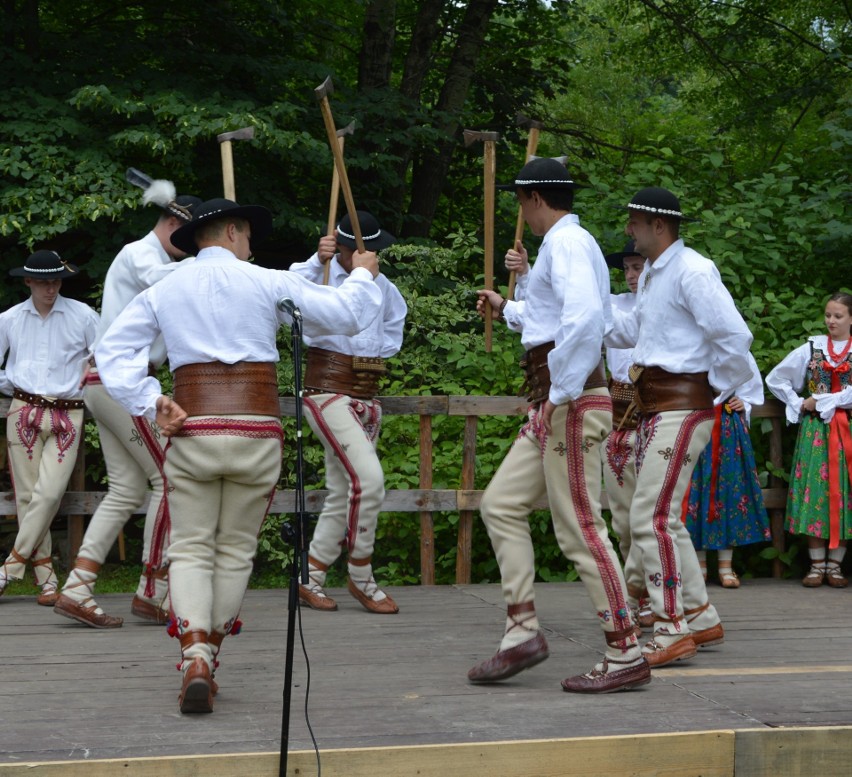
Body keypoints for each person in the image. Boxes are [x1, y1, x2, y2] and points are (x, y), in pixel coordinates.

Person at [94, 197, 382, 714]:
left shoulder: (166, 286)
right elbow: (347, 316)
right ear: (230, 232)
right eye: (248, 235)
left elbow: (112, 351)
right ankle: (210, 656)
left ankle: (195, 657)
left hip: (194, 429)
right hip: (256, 431)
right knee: (234, 552)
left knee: (190, 547)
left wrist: (150, 398)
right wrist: (360, 274)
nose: (252, 245)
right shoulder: (267, 281)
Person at [470, 157, 651, 694]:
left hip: (569, 402)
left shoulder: (569, 244)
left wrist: (563, 393)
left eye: (519, 200)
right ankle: (521, 631)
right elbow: (565, 319)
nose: (518, 210)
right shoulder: (565, 247)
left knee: (580, 529)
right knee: (499, 504)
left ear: (533, 198)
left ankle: (625, 650)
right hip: (558, 399)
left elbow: (585, 322)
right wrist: (508, 307)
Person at [606, 186, 754, 667]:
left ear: (658, 225)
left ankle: (671, 628)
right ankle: (700, 614)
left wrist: (715, 390)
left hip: (681, 405)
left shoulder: (693, 270)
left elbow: (733, 335)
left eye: (633, 221)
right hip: (658, 407)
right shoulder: (653, 274)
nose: (627, 229)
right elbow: (633, 332)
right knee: (660, 516)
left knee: (650, 517)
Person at [55, 181, 201, 629]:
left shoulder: (157, 259)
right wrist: (213, 265)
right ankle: (153, 589)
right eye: (193, 240)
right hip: (121, 384)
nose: (195, 249)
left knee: (126, 490)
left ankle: (78, 587)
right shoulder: (142, 254)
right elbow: (162, 282)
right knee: (169, 480)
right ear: (173, 224)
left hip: (107, 382)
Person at [288, 211, 407, 614]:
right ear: (338, 246)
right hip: (326, 390)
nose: (368, 255)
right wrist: (312, 261)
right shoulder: (318, 276)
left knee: (344, 490)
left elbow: (393, 329)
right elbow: (282, 300)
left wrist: (369, 354)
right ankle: (362, 576)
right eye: (360, 248)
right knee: (369, 481)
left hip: (366, 392)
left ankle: (312, 575)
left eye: (373, 249)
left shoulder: (385, 286)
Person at [0, 251, 99, 605]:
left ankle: (10, 567)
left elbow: (105, 356)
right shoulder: (9, 319)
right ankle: (47, 579)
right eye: (43, 281)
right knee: (27, 497)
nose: (50, 287)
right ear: (27, 281)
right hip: (23, 409)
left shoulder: (83, 315)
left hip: (68, 412)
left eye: (55, 280)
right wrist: (10, 384)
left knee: (49, 493)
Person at [765, 292, 852, 588]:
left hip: (848, 432)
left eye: (838, 316)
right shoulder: (813, 347)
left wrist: (823, 399)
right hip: (816, 433)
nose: (831, 321)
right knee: (816, 491)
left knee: (845, 493)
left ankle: (836, 565)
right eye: (828, 315)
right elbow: (776, 378)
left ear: (851, 318)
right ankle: (817, 565)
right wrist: (799, 401)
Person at [683, 353, 771, 588]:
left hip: (727, 428)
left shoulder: (737, 351)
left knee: (728, 492)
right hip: (695, 422)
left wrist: (744, 402)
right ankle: (698, 567)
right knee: (694, 492)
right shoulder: (691, 345)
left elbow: (752, 389)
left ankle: (725, 565)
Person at [601, 241, 652, 629]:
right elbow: (572, 310)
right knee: (621, 516)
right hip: (616, 417)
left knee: (649, 515)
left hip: (654, 412)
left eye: (638, 268)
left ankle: (648, 592)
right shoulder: (615, 306)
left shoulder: (664, 307)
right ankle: (637, 592)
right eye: (628, 269)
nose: (632, 276)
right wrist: (530, 273)